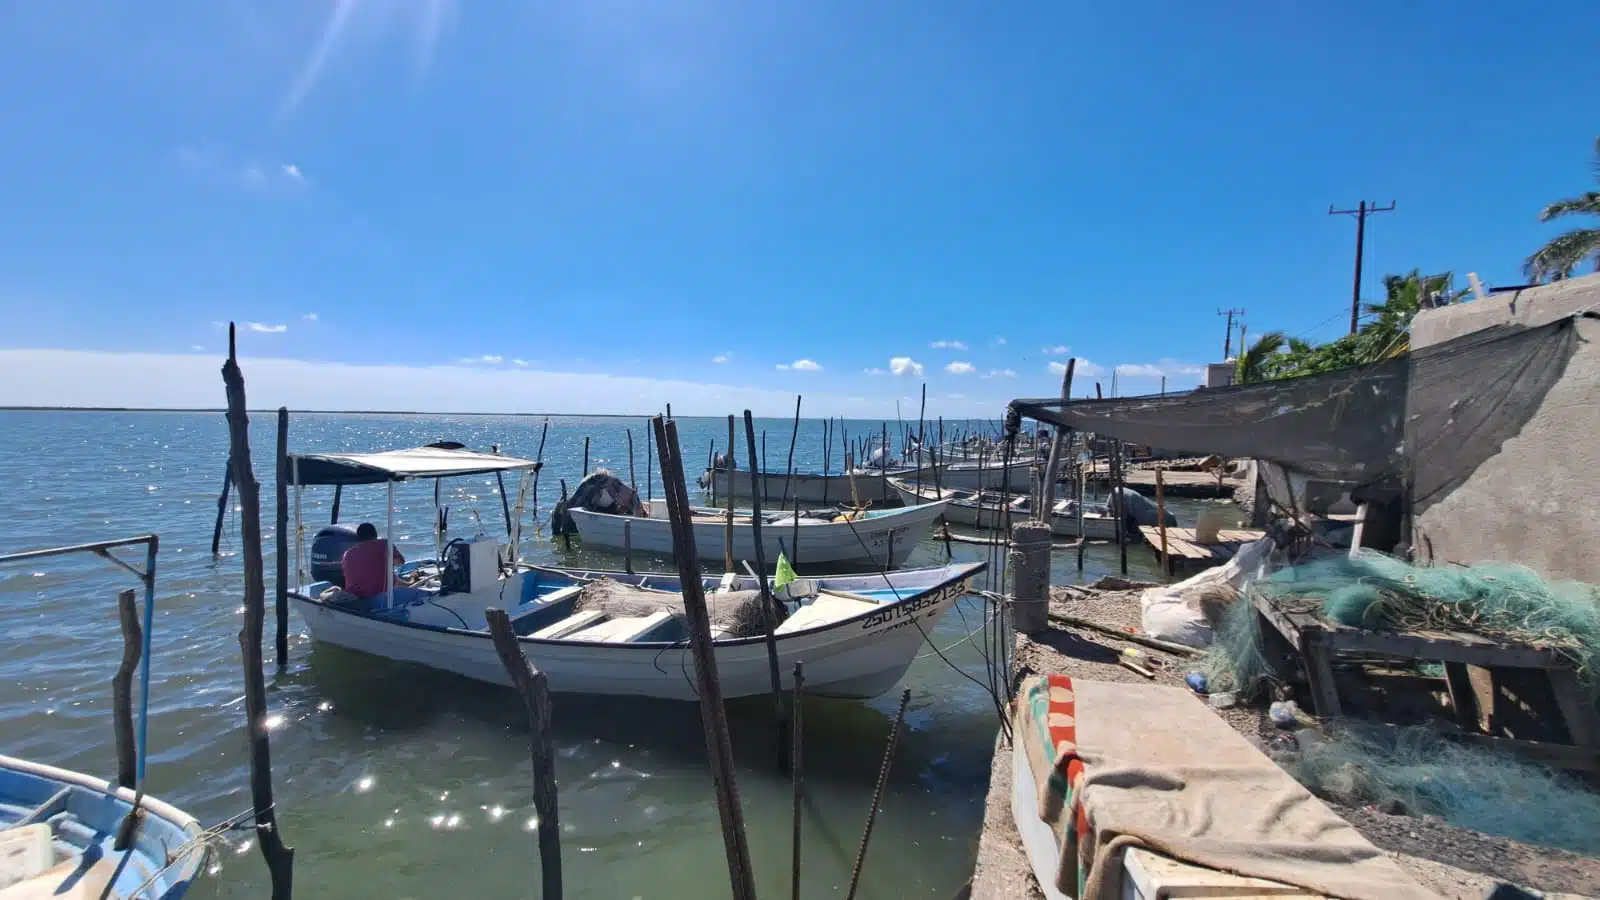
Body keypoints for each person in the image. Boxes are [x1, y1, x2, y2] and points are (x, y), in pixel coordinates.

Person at [341, 522, 406, 600]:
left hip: (356, 597)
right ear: (375, 534)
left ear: (358, 537)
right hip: (382, 595)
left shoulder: (348, 553)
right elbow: (400, 563)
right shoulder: (385, 544)